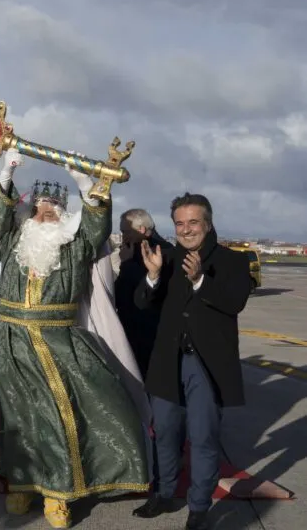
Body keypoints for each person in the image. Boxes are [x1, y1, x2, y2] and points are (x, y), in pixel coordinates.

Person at [0, 149, 149, 528]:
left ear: (63, 214)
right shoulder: (14, 239)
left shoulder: (75, 246)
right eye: (40, 206)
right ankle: (22, 485)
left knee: (60, 417)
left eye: (54, 208)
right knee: (16, 417)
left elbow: (95, 223)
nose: (46, 212)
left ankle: (58, 495)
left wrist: (84, 183)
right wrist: (6, 170)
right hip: (11, 340)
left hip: (57, 342)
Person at [131, 193, 251, 530]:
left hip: (207, 364)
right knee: (165, 432)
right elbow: (143, 302)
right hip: (168, 361)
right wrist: (153, 277)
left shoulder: (233, 261)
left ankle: (199, 507)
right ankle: (164, 493)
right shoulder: (165, 259)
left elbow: (234, 302)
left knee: (203, 436)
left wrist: (200, 280)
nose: (186, 229)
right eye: (180, 223)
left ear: (208, 223)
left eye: (193, 222)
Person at [115, 209, 173, 378]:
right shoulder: (137, 250)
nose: (123, 236)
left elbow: (131, 293)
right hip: (139, 330)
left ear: (141, 230)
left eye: (126, 232)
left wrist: (126, 262)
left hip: (147, 333)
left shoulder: (159, 254)